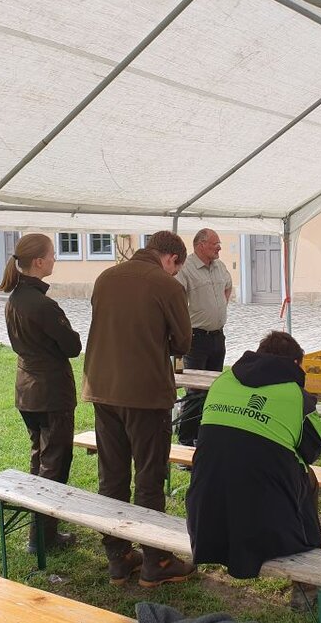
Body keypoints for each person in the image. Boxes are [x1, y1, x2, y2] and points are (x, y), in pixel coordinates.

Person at [185, 331, 321, 605]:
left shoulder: (224, 381)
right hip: (267, 527)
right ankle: (309, 585)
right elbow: (309, 450)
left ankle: (306, 583)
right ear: (294, 364)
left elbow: (264, 424)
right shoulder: (295, 394)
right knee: (307, 476)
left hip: (204, 519)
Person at [82, 230, 194, 588]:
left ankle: (118, 557)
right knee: (149, 474)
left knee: (111, 474)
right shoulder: (167, 285)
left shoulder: (106, 277)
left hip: (102, 387)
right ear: (172, 259)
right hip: (145, 393)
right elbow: (183, 342)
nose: (174, 274)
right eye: (176, 268)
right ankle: (155, 559)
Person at [0, 233, 82, 552]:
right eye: (51, 255)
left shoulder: (15, 298)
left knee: (40, 458)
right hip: (50, 392)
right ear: (38, 262)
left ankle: (40, 528)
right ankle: (43, 535)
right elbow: (72, 346)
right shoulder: (42, 304)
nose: (54, 259)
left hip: (27, 389)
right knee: (55, 462)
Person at [175, 228, 233, 448]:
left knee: (214, 388)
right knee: (195, 390)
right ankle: (186, 440)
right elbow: (177, 299)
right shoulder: (187, 269)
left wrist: (217, 310)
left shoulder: (220, 266)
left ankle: (206, 434)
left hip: (218, 337)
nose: (219, 247)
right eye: (215, 244)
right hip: (195, 339)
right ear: (200, 245)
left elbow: (227, 287)